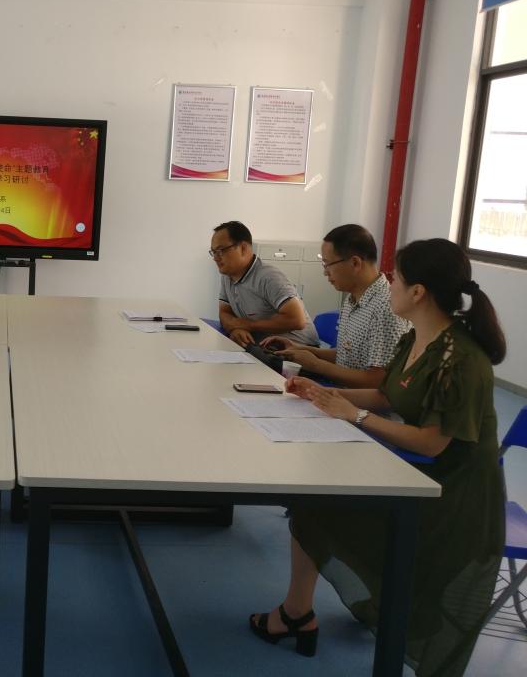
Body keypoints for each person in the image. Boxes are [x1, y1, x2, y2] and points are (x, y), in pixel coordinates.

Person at [249, 238, 505, 677]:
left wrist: (354, 414)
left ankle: (301, 614)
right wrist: (322, 394)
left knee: (326, 510)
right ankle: (297, 612)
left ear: (418, 292)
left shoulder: (460, 359)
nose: (389, 285)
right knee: (313, 504)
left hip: (454, 497)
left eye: (397, 278)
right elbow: (387, 395)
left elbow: (431, 443)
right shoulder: (419, 338)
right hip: (418, 474)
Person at [260, 224, 411, 388]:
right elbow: (347, 357)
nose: (325, 272)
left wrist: (316, 365)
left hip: (355, 401)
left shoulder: (386, 309)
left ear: (355, 263)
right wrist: (302, 350)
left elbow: (378, 381)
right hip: (338, 393)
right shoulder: (353, 299)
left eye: (327, 264)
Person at [211, 220, 319, 347]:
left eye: (221, 250)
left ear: (243, 248)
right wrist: (235, 329)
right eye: (213, 252)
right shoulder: (228, 276)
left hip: (298, 349)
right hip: (263, 347)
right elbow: (224, 313)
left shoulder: (268, 277)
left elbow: (297, 320)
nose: (215, 258)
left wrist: (248, 325)